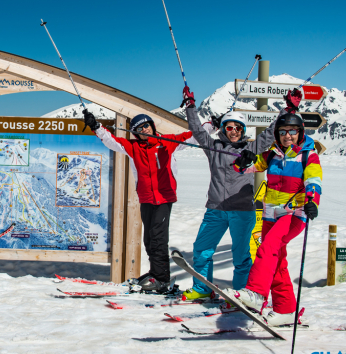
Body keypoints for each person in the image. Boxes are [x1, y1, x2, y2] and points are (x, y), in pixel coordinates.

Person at [179, 86, 294, 300]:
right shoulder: (213, 148)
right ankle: (203, 289)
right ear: (223, 128)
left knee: (241, 256)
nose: (233, 131)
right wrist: (190, 107)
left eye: (238, 128)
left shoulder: (251, 149)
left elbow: (271, 132)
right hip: (215, 210)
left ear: (243, 130)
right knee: (202, 249)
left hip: (242, 210)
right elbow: (197, 130)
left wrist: (287, 110)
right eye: (229, 127)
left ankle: (242, 294)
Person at [227, 105, 322, 327]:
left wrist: (312, 201)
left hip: (294, 214)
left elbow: (313, 180)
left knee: (267, 248)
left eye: (292, 131)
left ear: (300, 133)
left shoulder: (308, 155)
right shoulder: (272, 153)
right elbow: (246, 168)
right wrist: (243, 160)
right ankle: (286, 309)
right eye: (282, 132)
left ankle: (256, 293)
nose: (287, 136)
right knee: (277, 261)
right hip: (271, 214)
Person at [82, 108, 197, 292]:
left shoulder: (167, 142)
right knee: (149, 239)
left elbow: (194, 136)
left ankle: (161, 279)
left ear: (152, 126)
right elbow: (112, 141)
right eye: (139, 128)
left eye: (146, 126)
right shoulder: (134, 147)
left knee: (159, 239)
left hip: (163, 198)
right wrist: (96, 127)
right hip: (146, 199)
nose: (144, 130)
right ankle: (155, 273)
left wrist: (213, 126)